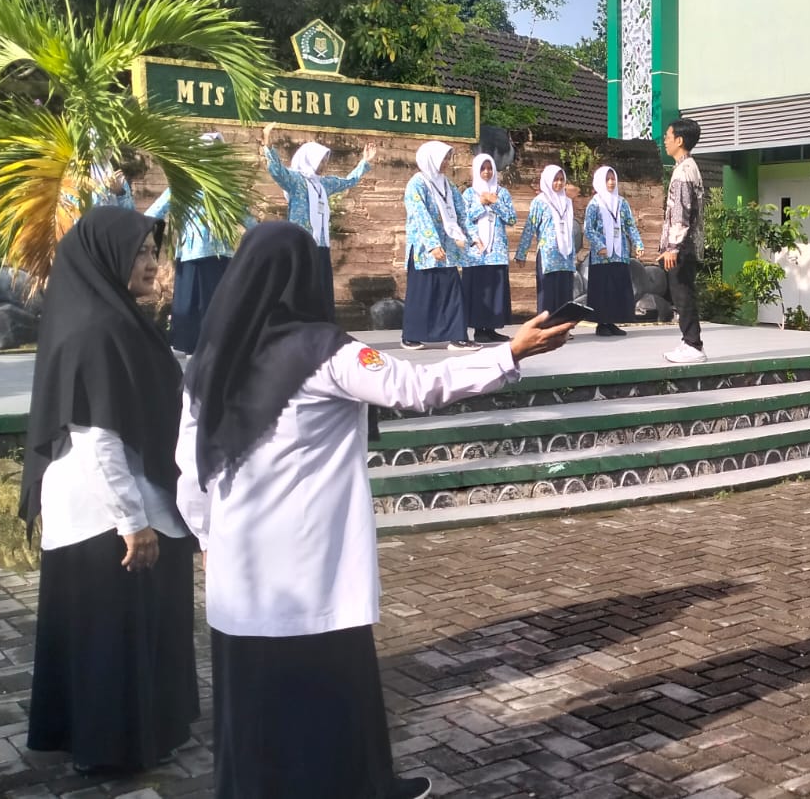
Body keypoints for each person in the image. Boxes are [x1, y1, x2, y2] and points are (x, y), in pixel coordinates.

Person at [176, 222, 574, 799]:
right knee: (327, 688)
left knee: (255, 699)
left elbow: (190, 466)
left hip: (241, 565)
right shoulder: (325, 351)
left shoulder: (207, 361)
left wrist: (206, 539)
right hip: (309, 565)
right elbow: (417, 386)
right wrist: (509, 352)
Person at [21, 207, 197, 774]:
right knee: (111, 637)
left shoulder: (115, 319)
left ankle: (133, 736)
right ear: (107, 257)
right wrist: (132, 521)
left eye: (152, 250)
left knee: (119, 633)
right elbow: (98, 438)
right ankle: (112, 749)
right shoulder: (97, 329)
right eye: (140, 251)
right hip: (106, 515)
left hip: (117, 506)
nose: (151, 262)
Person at [145, 132, 257, 354]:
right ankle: (186, 346)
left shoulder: (225, 187)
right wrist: (137, 226)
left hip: (220, 252)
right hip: (191, 251)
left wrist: (262, 233)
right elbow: (157, 209)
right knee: (188, 304)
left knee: (216, 304)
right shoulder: (185, 184)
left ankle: (215, 349)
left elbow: (244, 215)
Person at [260, 122, 377, 321]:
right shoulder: (296, 181)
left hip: (321, 245)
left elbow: (347, 181)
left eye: (325, 161)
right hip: (301, 244)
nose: (324, 165)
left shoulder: (323, 184)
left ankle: (321, 324)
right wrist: (267, 144)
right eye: (321, 161)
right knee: (301, 287)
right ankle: (299, 324)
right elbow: (277, 171)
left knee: (320, 289)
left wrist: (364, 162)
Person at [401, 141, 473, 350]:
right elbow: (419, 215)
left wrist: (471, 236)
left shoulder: (447, 184)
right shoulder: (417, 184)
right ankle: (411, 336)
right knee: (422, 293)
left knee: (452, 291)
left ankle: (458, 336)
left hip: (447, 248)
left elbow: (461, 211)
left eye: (448, 158)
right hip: (424, 249)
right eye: (443, 159)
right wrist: (432, 244)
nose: (446, 163)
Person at [660, 118, 707, 363]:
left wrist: (673, 247)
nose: (665, 141)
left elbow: (680, 212)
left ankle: (693, 344)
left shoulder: (682, 172)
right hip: (687, 243)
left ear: (679, 140)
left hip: (682, 245)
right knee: (683, 292)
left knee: (682, 294)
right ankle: (689, 341)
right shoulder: (689, 167)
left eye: (668, 136)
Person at [584, 165, 645, 337]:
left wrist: (638, 244)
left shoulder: (622, 203)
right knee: (603, 289)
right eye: (607, 179)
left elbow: (630, 225)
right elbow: (588, 229)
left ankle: (612, 322)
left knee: (617, 288)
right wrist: (600, 245)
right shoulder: (594, 204)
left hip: (619, 253)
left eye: (613, 179)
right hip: (602, 256)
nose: (611, 182)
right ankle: (601, 323)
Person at [515, 164, 581, 316]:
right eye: (555, 180)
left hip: (565, 256)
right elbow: (530, 227)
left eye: (561, 179)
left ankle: (562, 325)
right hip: (548, 256)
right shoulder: (540, 201)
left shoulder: (567, 202)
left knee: (565, 294)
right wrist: (521, 253)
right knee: (548, 295)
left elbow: (570, 228)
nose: (559, 183)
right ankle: (545, 325)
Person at [464, 152, 517, 343]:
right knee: (480, 290)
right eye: (482, 168)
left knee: (496, 289)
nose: (486, 172)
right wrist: (480, 204)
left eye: (489, 168)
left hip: (497, 251)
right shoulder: (469, 194)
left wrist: (495, 203)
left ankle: (492, 328)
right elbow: (463, 219)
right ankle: (479, 330)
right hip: (477, 253)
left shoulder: (502, 193)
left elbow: (512, 218)